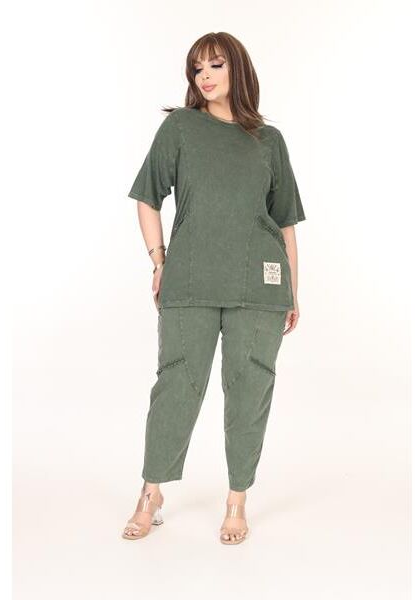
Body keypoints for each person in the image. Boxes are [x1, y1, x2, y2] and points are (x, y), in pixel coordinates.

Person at [122, 32, 306, 544]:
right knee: (177, 386)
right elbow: (147, 197)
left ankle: (237, 499)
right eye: (197, 68)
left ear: (237, 69)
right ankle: (151, 493)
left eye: (215, 65)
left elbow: (285, 222)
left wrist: (293, 290)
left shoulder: (269, 141)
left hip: (260, 284)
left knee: (249, 389)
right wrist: (159, 260)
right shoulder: (180, 128)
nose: (204, 76)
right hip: (190, 279)